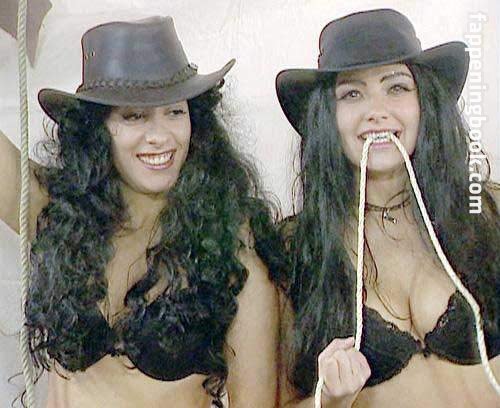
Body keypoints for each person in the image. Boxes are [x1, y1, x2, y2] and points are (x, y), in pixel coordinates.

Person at [0, 16, 286, 408]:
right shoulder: (59, 214)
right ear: (98, 130)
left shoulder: (232, 252)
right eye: (134, 115)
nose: (160, 136)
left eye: (175, 112)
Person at [275, 8, 500, 408]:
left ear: (425, 101)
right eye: (352, 94)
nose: (376, 110)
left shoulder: (488, 211)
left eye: (396, 87)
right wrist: (329, 401)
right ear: (327, 117)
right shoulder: (298, 251)